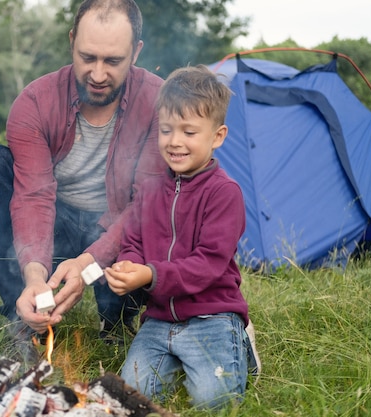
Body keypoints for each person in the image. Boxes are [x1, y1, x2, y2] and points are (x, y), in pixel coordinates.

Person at [0, 0, 164, 357]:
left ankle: (117, 319)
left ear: (136, 53)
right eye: (87, 57)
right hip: (53, 228)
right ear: (72, 41)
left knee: (163, 205)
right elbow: (33, 197)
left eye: (113, 61)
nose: (99, 74)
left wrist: (89, 263)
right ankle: (25, 313)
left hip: (116, 231)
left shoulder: (158, 102)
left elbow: (146, 204)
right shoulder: (35, 101)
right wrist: (35, 276)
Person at [104, 65, 259, 409]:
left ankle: (240, 342)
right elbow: (133, 241)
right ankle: (172, 357)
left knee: (213, 400)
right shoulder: (148, 190)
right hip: (159, 318)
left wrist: (151, 275)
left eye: (189, 132)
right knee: (128, 397)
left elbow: (209, 264)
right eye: (166, 130)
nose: (175, 142)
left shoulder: (224, 193)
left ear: (217, 136)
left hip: (212, 317)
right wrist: (128, 262)